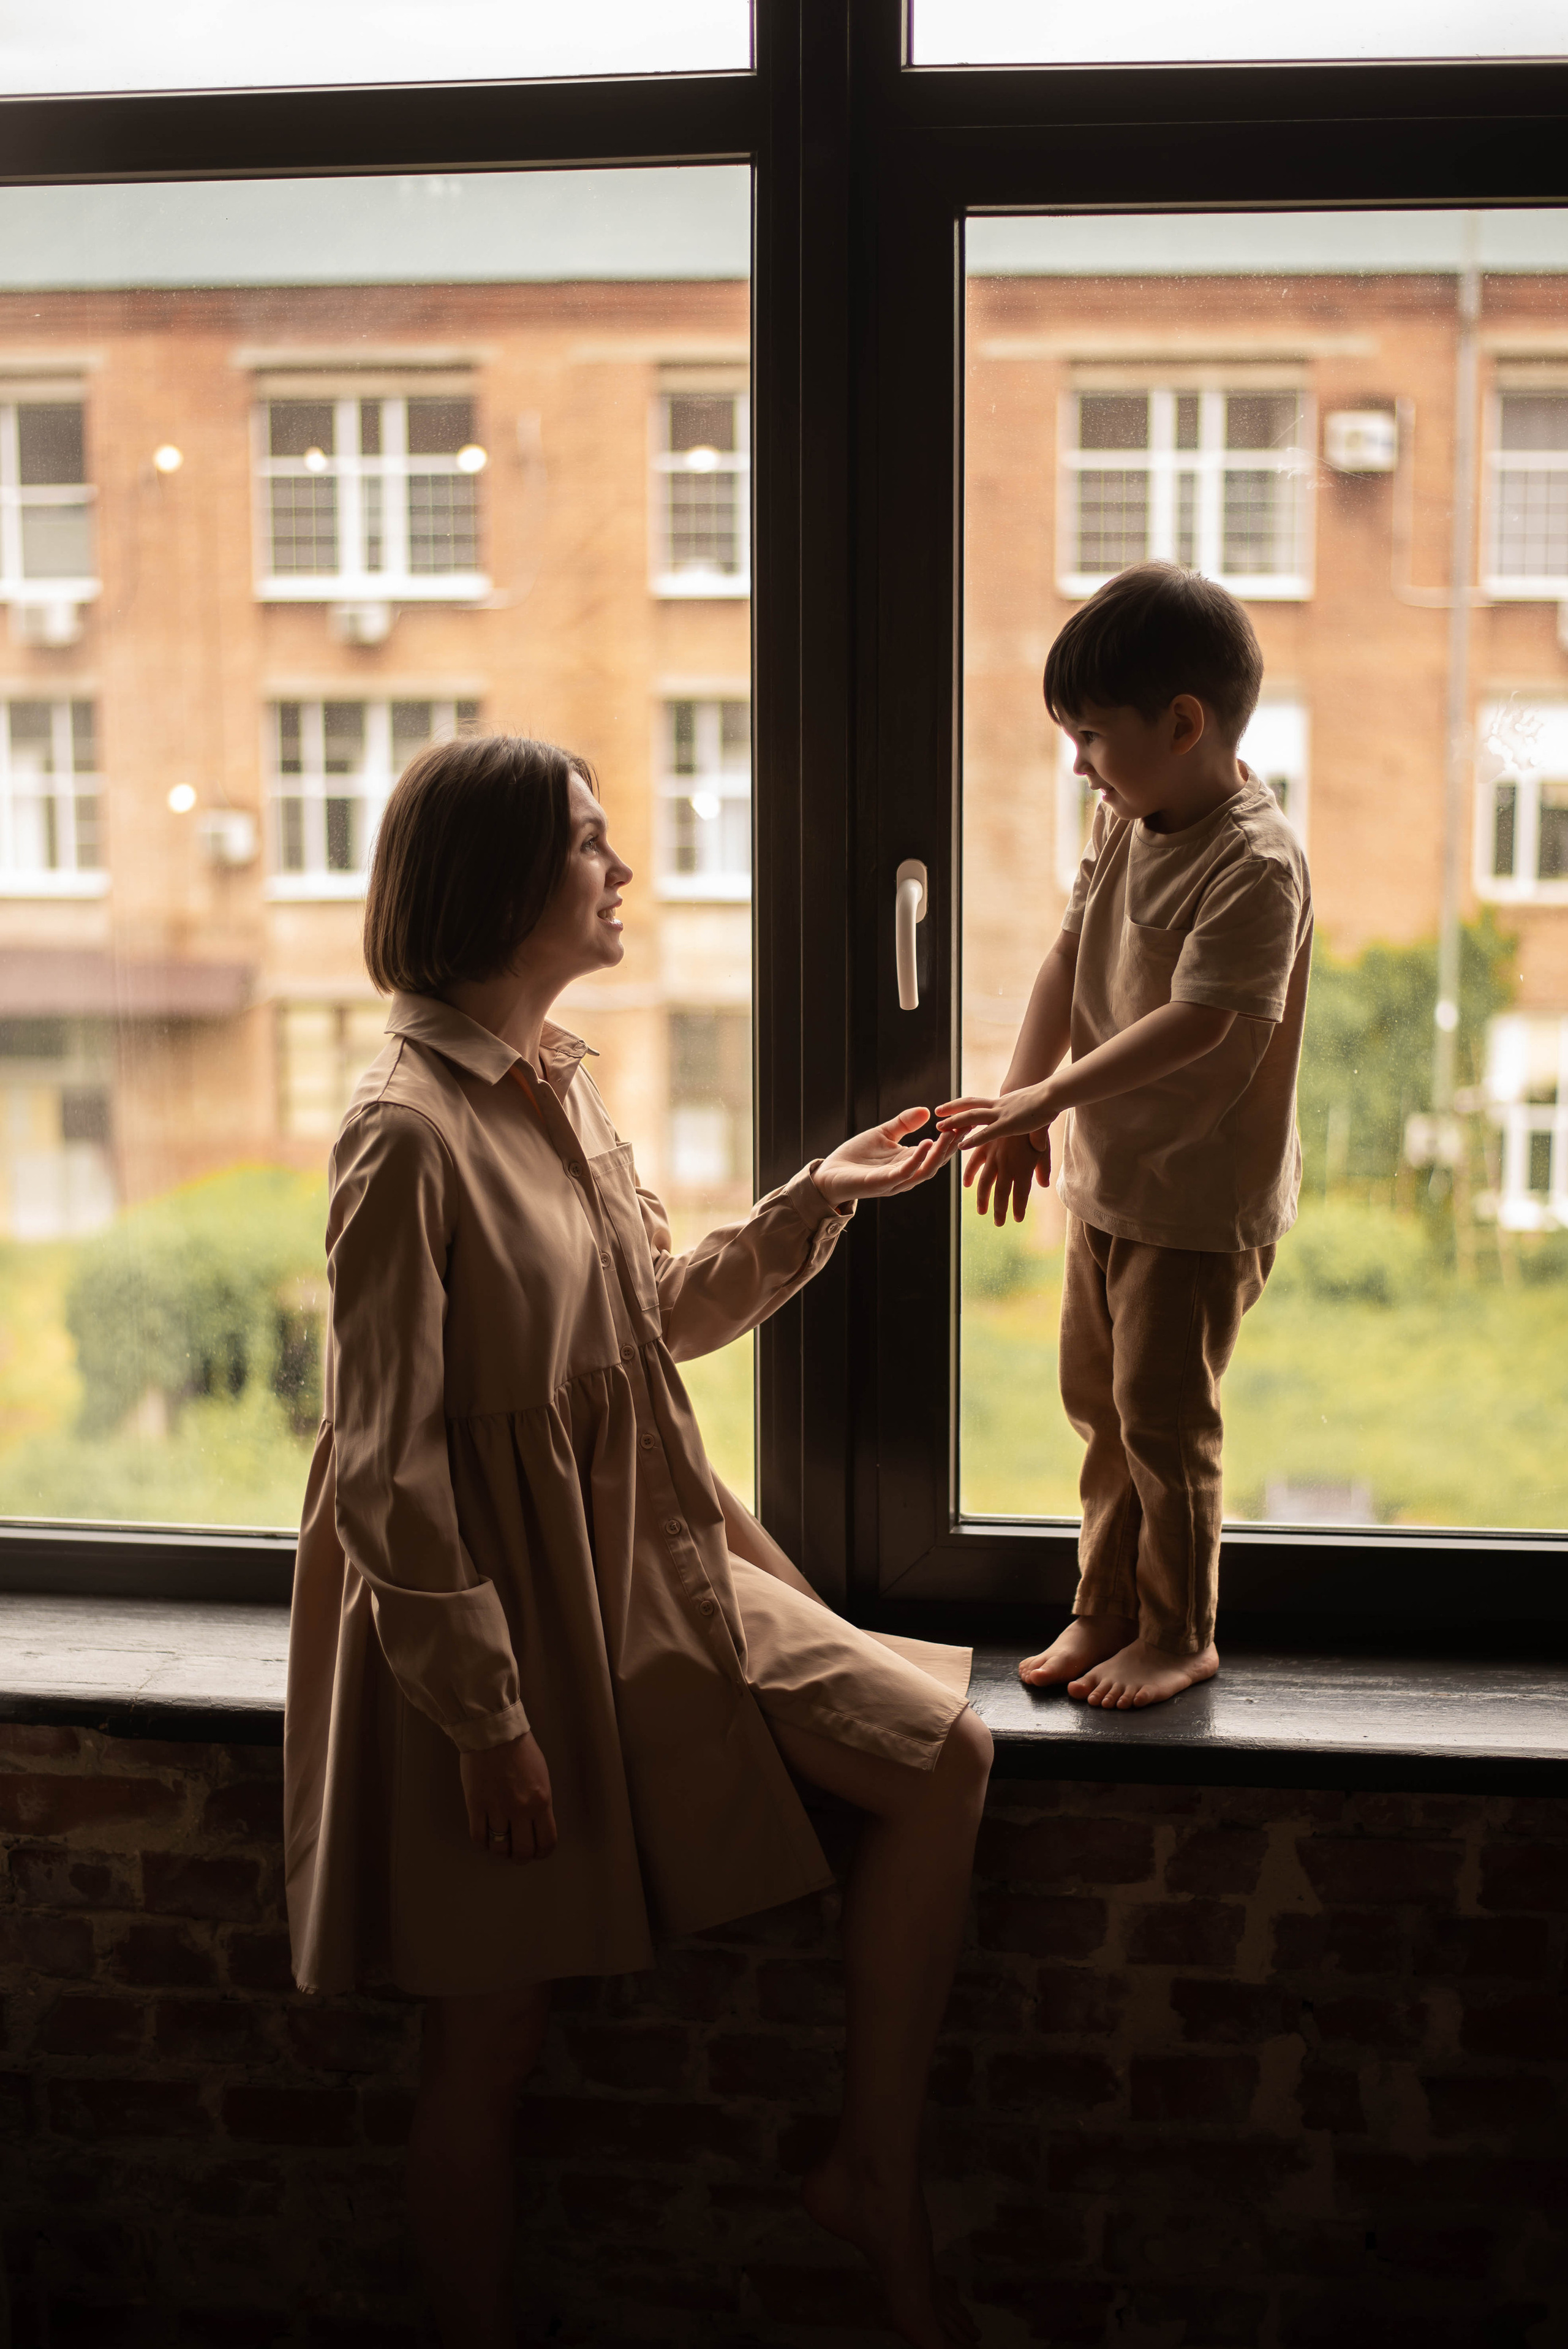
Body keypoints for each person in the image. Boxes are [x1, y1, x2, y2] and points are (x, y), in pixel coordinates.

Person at [282, 732, 992, 2349]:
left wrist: (821, 1194)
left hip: (656, 1559)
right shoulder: (403, 1134)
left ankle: (870, 2174)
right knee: (495, 2046)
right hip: (496, 1627)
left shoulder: (562, 1083)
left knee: (942, 1754)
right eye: (593, 844)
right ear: (502, 881)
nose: (623, 874)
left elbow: (645, 1322)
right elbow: (388, 1469)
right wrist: (489, 1715)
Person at [938, 561, 1313, 1711]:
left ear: (1185, 724)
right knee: (1099, 1406)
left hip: (1197, 1202)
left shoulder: (1254, 861)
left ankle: (1177, 1628)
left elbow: (1201, 1024)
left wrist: (1046, 1104)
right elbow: (1067, 953)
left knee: (1165, 1419)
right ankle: (1103, 1600)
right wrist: (1017, 1097)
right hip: (1109, 1183)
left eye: (1095, 736)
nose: (1079, 763)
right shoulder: (1128, 815)